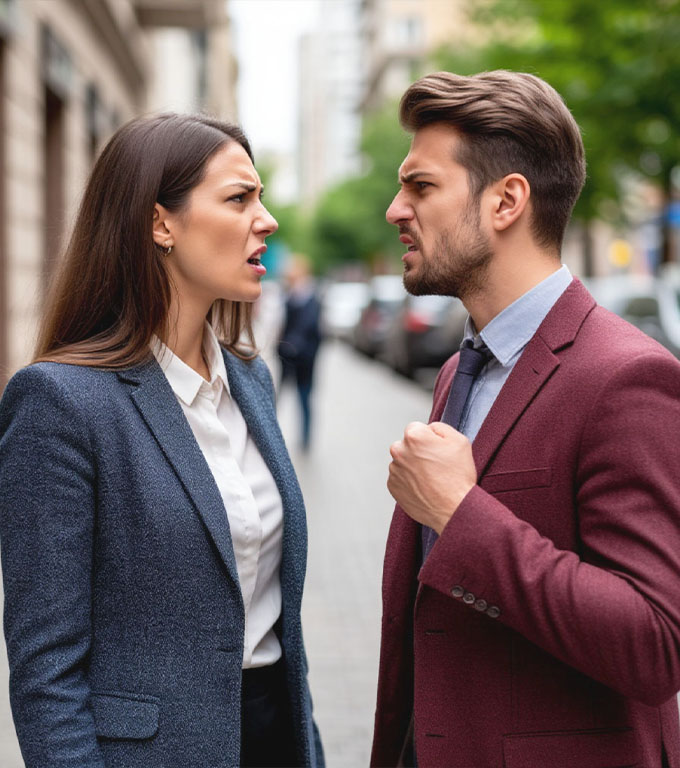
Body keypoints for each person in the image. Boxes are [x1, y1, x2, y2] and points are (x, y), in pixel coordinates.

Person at [371, 70, 680, 768]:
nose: (395, 209)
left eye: (421, 186)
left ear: (507, 200)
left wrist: (462, 513)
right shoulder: (460, 369)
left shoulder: (627, 376)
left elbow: (656, 642)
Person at [0, 113, 324, 768]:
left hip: (276, 739)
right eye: (239, 198)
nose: (267, 220)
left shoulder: (251, 381)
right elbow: (46, 673)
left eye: (260, 197)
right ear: (160, 223)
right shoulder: (60, 402)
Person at [277, 256, 322, 450]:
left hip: (305, 360)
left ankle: (305, 439)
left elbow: (312, 329)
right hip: (287, 358)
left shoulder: (311, 298)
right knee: (277, 398)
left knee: (304, 399)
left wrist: (297, 346)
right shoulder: (289, 296)